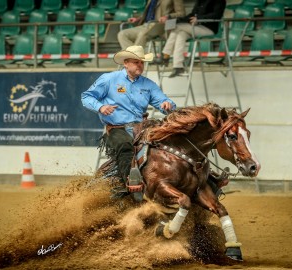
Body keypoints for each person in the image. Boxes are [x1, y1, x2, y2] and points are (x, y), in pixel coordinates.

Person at [81, 45, 176, 202]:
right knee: (125, 146)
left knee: (167, 143)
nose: (140, 65)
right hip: (118, 129)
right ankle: (130, 186)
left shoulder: (148, 85)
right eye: (136, 62)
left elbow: (164, 101)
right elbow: (86, 97)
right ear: (126, 63)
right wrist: (101, 107)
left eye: (141, 63)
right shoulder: (109, 79)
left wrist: (167, 104)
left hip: (142, 128)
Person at [154, 0, 226, 78]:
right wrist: (177, 19)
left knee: (176, 26)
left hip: (208, 29)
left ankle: (165, 55)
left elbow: (217, 15)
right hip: (196, 27)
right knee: (180, 35)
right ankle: (178, 66)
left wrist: (198, 18)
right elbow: (192, 15)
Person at [117, 0, 186, 50]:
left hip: (161, 25)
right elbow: (149, 13)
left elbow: (182, 13)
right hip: (146, 25)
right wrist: (138, 18)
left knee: (143, 34)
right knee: (122, 34)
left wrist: (168, 16)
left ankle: (133, 60)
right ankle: (134, 58)